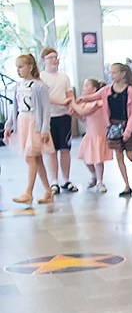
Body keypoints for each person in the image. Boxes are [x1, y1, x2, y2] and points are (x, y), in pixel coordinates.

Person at [76, 62, 132, 198]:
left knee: (130, 156)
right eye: (110, 72)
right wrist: (82, 99)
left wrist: (128, 131)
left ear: (123, 74)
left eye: (114, 72)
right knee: (119, 156)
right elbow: (94, 96)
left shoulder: (130, 91)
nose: (111, 75)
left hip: (128, 125)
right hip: (114, 126)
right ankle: (127, 185)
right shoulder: (107, 90)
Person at [3, 54, 55, 205]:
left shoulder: (39, 86)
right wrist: (9, 125)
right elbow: (15, 107)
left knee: (30, 156)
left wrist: (45, 128)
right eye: (17, 67)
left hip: (34, 123)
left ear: (30, 67)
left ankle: (28, 192)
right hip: (23, 122)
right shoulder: (19, 86)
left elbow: (46, 109)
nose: (18, 70)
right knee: (36, 159)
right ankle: (48, 190)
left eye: (21, 67)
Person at [39, 47, 77, 195]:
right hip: (48, 118)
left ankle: (66, 180)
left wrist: (72, 106)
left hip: (64, 117)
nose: (54, 60)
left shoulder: (64, 78)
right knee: (51, 151)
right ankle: (53, 181)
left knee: (65, 149)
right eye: (51, 58)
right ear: (44, 60)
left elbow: (70, 94)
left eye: (56, 57)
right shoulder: (41, 77)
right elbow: (44, 98)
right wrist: (62, 101)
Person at [72, 78, 113, 193]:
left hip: (98, 135)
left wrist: (72, 103)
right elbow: (84, 118)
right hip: (89, 135)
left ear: (94, 89)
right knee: (86, 159)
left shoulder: (98, 103)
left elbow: (84, 111)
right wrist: (75, 114)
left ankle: (100, 181)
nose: (83, 88)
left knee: (98, 160)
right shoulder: (85, 104)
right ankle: (94, 175)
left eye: (86, 86)